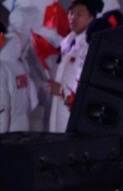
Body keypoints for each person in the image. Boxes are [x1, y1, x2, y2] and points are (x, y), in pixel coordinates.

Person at [47, 0, 98, 133]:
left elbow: (86, 87)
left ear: (91, 18)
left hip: (73, 115)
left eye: (79, 14)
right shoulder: (67, 42)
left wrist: (61, 91)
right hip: (58, 111)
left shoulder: (89, 46)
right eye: (71, 13)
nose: (72, 17)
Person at [0, 19, 39, 132]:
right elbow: (33, 101)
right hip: (22, 127)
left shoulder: (3, 65)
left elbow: (2, 110)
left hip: (6, 132)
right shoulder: (20, 64)